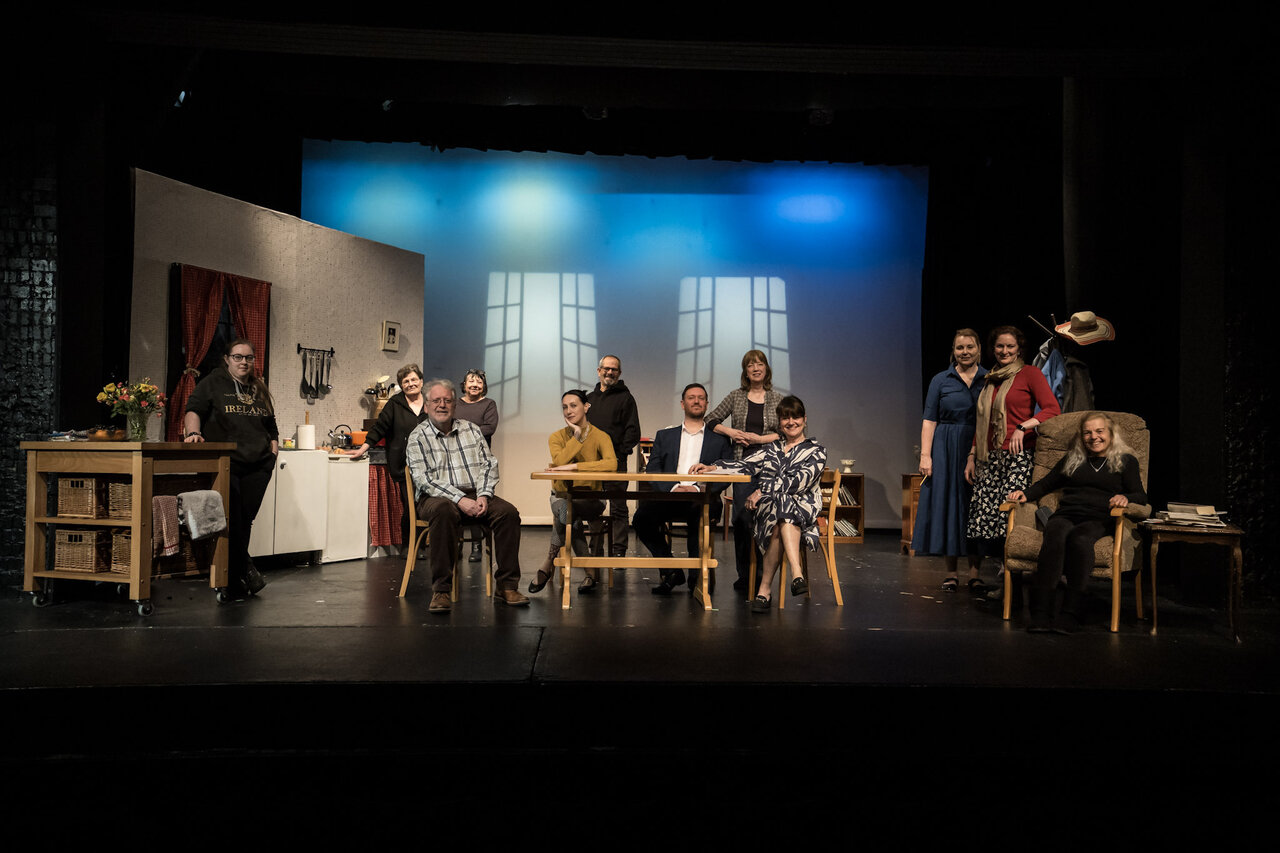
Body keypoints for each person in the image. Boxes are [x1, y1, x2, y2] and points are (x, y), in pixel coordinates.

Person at [1007, 412, 1146, 633]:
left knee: (1079, 540)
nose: (1094, 437)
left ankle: (1071, 613)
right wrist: (1025, 494)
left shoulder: (1126, 461)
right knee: (1055, 533)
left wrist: (1126, 498)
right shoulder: (1073, 459)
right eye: (1087, 432)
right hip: (1067, 513)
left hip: (1099, 518)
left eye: (1099, 431)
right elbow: (1046, 484)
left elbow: (1141, 495)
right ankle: (1041, 612)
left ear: (1111, 433)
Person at [405, 379, 529, 612]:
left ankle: (507, 586)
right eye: (436, 401)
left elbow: (489, 464)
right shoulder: (418, 437)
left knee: (508, 513)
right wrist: (459, 499)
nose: (442, 405)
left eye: (447, 400)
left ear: (455, 405)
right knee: (443, 511)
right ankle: (441, 590)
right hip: (435, 497)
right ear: (426, 406)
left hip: (474, 493)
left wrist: (483, 495)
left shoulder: (471, 429)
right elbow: (424, 480)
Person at [693, 395, 826, 613]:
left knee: (783, 507)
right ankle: (797, 574)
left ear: (804, 419)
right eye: (785, 418)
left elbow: (798, 482)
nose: (791, 422)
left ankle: (765, 589)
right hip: (772, 510)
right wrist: (713, 468)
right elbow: (744, 465)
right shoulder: (772, 449)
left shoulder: (816, 451)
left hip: (803, 508)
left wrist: (762, 490)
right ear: (780, 423)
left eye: (795, 417)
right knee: (780, 510)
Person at [964, 325, 1061, 593]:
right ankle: (1007, 584)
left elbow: (1053, 409)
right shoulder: (990, 378)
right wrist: (972, 455)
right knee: (990, 523)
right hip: (988, 458)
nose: (1004, 351)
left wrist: (1024, 426)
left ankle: (1013, 586)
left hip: (1017, 456)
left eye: (1010, 346)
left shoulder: (1030, 373)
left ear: (1019, 349)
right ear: (993, 349)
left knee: (1011, 519)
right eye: (1000, 346)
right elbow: (983, 424)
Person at [183, 338, 277, 598]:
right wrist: (193, 433)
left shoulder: (259, 387)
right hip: (228, 463)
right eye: (238, 357)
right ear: (227, 359)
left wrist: (273, 451)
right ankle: (236, 577)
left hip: (259, 464)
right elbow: (193, 410)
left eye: (248, 357)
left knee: (245, 520)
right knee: (231, 520)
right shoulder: (213, 383)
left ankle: (236, 576)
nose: (243, 362)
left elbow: (271, 424)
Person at [635, 383, 734, 596]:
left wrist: (697, 489)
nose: (696, 401)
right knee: (642, 518)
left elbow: (727, 472)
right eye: (691, 397)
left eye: (701, 398)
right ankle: (671, 570)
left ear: (706, 404)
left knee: (699, 518)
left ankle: (696, 580)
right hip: (670, 497)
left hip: (703, 498)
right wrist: (673, 487)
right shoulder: (665, 435)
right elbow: (653, 469)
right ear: (682, 404)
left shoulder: (720, 439)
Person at [911, 329, 988, 593]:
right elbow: (929, 420)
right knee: (949, 506)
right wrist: (926, 455)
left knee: (975, 508)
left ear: (979, 348)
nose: (965, 352)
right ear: (953, 351)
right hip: (945, 448)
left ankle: (975, 574)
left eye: (970, 347)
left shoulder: (990, 379)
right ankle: (952, 573)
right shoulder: (940, 380)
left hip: (979, 448)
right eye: (959, 348)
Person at [705, 349, 782, 591]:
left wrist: (760, 439)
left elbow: (786, 432)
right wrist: (731, 432)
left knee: (766, 518)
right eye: (751, 365)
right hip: (742, 466)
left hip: (769, 466)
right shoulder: (736, 396)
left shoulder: (777, 399)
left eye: (760, 364)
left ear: (766, 369)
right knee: (741, 519)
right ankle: (745, 574)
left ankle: (762, 575)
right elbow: (711, 419)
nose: (756, 368)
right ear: (745, 371)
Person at [529, 390, 616, 595]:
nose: (568, 411)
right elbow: (559, 462)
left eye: (573, 405)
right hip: (561, 497)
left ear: (586, 407)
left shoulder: (601, 436)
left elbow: (612, 464)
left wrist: (575, 467)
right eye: (564, 407)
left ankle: (548, 562)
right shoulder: (557, 437)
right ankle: (589, 572)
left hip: (591, 500)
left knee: (568, 513)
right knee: (569, 513)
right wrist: (576, 437)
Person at [353, 364, 429, 549]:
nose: (410, 384)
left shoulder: (430, 402)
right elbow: (379, 428)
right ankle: (409, 546)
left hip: (430, 464)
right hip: (404, 465)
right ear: (401, 385)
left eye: (413, 379)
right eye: (406, 381)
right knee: (410, 506)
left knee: (426, 504)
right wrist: (362, 449)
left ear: (421, 381)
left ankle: (422, 545)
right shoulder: (395, 404)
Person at [585, 354, 641, 560]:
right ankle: (596, 550)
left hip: (616, 463)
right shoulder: (588, 400)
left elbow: (633, 431)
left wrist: (620, 455)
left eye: (614, 369)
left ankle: (618, 551)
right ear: (599, 371)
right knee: (593, 507)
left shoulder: (626, 398)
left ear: (619, 373)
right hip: (591, 464)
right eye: (606, 368)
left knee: (618, 507)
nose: (609, 372)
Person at [455, 368, 499, 562]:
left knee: (478, 499)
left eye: (479, 382)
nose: (475, 385)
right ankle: (456, 544)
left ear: (484, 386)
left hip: (479, 460)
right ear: (464, 385)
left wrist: (463, 433)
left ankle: (476, 545)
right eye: (471, 381)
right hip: (455, 459)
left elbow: (489, 428)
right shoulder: (455, 404)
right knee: (456, 499)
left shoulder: (489, 404)